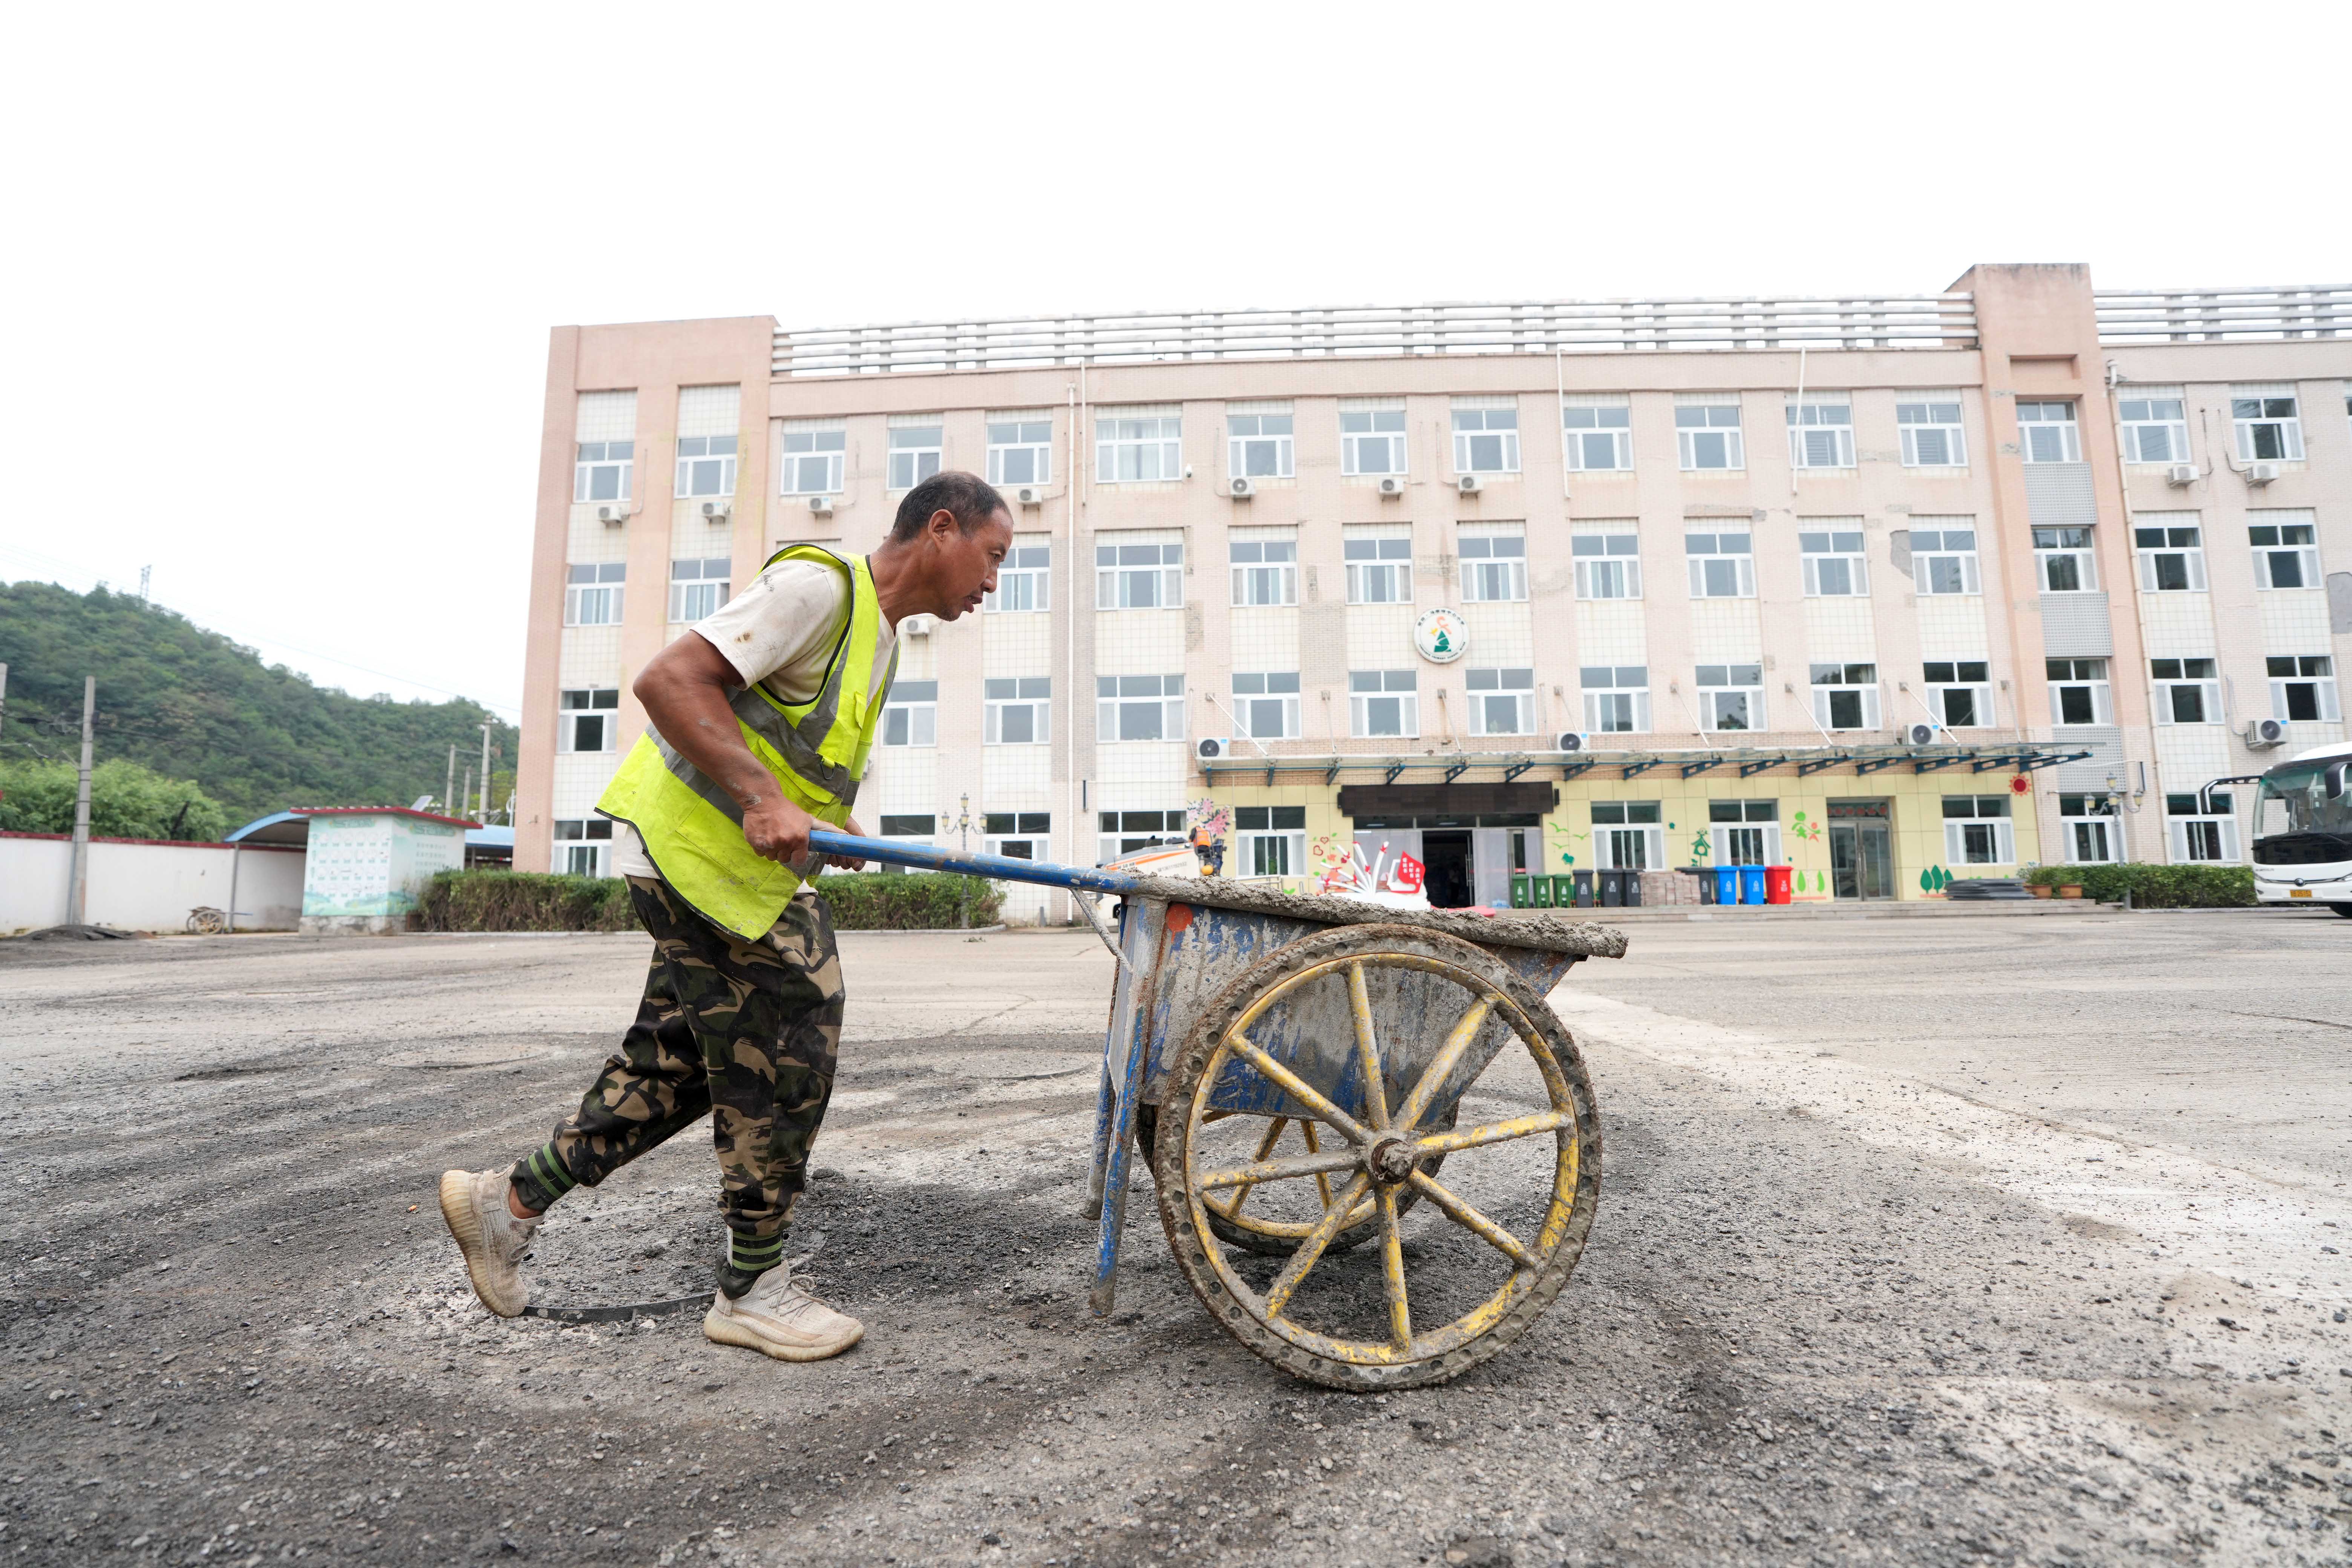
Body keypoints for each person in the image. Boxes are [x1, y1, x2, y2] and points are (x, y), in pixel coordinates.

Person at [439, 471, 1012, 1363]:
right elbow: (669, 680)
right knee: (795, 1026)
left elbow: (787, 757)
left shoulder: (882, 639)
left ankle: (506, 1205)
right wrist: (757, 797)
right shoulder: (819, 588)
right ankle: (753, 1287)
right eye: (993, 556)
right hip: (694, 860)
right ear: (942, 529)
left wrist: (830, 824)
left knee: (680, 1063)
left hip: (735, 878)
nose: (992, 582)